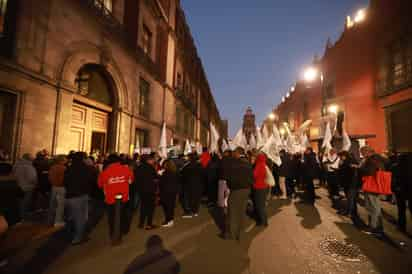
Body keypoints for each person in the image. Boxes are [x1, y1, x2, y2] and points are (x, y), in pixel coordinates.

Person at [98, 154, 134, 244]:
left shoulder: (105, 172)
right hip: (124, 197)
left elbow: (100, 185)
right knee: (122, 215)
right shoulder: (126, 169)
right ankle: (121, 232)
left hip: (110, 198)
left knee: (111, 217)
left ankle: (112, 234)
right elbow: (130, 181)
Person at [221, 147, 254, 241]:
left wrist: (230, 186)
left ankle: (231, 234)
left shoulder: (235, 163)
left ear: (238, 153)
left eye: (234, 153)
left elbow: (229, 177)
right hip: (246, 189)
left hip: (237, 190)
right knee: (241, 210)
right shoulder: (248, 163)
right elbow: (251, 178)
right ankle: (240, 232)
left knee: (232, 212)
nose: (233, 154)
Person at [64, 152, 94, 245]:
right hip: (81, 195)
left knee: (72, 216)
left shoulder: (69, 168)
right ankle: (78, 237)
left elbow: (65, 181)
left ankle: (72, 233)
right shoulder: (86, 169)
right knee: (81, 218)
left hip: (70, 195)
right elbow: (91, 181)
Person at [360, 147, 386, 237]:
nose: (362, 154)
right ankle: (378, 228)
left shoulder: (372, 160)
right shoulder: (377, 158)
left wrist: (360, 168)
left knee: (373, 207)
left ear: (367, 152)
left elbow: (369, 172)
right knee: (375, 207)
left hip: (372, 186)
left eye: (362, 152)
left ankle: (374, 228)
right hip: (374, 185)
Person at [135, 154, 158, 230]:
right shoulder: (150, 168)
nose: (153, 161)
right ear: (147, 160)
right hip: (150, 190)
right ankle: (149, 224)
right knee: (150, 208)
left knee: (143, 207)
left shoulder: (138, 167)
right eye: (151, 160)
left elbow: (136, 179)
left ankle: (141, 224)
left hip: (141, 190)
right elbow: (155, 178)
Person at [13, 153, 38, 221]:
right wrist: (35, 183)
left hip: (17, 186)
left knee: (18, 203)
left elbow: (13, 174)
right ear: (29, 159)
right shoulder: (29, 166)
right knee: (24, 204)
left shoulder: (16, 164)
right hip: (27, 187)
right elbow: (32, 178)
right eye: (32, 158)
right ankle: (22, 218)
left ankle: (17, 217)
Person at [181, 153, 203, 218]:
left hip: (189, 184)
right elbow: (203, 175)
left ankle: (190, 211)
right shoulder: (200, 166)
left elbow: (183, 175)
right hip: (198, 184)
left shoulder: (187, 166)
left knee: (190, 198)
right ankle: (195, 211)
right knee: (197, 198)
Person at [47, 155, 67, 227]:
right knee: (60, 205)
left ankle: (50, 220)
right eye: (65, 160)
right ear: (61, 161)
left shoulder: (52, 167)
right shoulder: (63, 168)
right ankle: (58, 221)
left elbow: (49, 177)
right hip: (61, 188)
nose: (66, 161)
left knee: (52, 204)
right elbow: (64, 179)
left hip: (53, 187)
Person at [159, 160, 179, 227]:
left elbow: (161, 183)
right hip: (173, 192)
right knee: (170, 207)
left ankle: (169, 221)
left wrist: (160, 176)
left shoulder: (165, 173)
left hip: (166, 192)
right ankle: (170, 220)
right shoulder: (175, 172)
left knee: (167, 207)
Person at [337, 151, 356, 216]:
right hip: (347, 183)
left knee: (350, 198)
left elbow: (348, 172)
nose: (340, 158)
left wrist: (340, 166)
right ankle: (349, 211)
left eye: (341, 156)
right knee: (349, 198)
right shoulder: (345, 161)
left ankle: (350, 212)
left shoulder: (350, 161)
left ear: (344, 155)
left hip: (351, 183)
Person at [253, 154, 269, 226]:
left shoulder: (259, 165)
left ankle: (262, 221)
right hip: (264, 186)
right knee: (262, 205)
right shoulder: (264, 165)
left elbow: (254, 175)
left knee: (259, 205)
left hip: (258, 187)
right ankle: (264, 220)